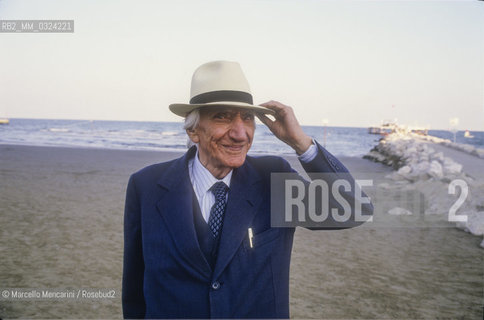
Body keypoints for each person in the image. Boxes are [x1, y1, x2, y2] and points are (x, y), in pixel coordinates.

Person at [122, 61, 371, 319]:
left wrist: (300, 143)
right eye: (223, 117)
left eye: (248, 118)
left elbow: (353, 209)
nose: (240, 134)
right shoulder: (147, 186)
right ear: (193, 130)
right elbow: (134, 291)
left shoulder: (273, 179)